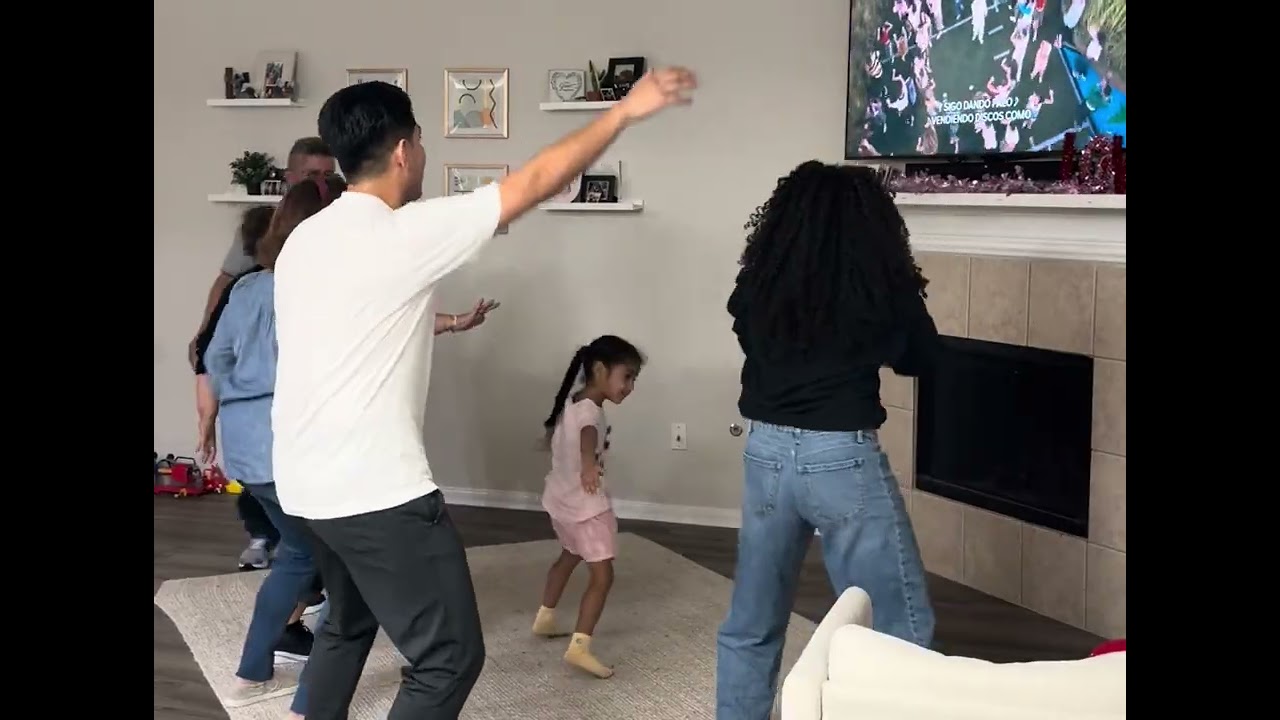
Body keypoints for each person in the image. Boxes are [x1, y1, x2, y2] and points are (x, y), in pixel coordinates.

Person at [271, 67, 696, 720]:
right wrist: (624, 113)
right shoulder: (399, 232)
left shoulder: (307, 238)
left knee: (346, 625)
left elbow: (361, 323)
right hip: (375, 493)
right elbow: (530, 184)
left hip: (303, 484)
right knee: (449, 657)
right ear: (406, 150)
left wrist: (447, 322)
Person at [715, 162, 939, 720]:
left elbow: (745, 328)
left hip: (766, 454)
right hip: (841, 457)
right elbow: (921, 358)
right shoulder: (873, 282)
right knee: (897, 628)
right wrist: (901, 278)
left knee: (751, 625)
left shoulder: (761, 281)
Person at [191, 136, 337, 570]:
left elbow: (218, 358)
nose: (322, 182)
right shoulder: (262, 266)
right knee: (312, 550)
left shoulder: (255, 287)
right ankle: (298, 590)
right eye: (313, 175)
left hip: (251, 439)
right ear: (290, 177)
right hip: (280, 435)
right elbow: (222, 295)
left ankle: (293, 613)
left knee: (301, 549)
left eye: (328, 174)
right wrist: (206, 331)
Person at [531, 335, 645, 679]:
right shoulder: (590, 411)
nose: (630, 387)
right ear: (599, 370)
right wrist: (588, 464)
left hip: (560, 501)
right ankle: (579, 648)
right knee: (603, 574)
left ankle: (545, 617)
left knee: (569, 554)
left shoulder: (574, 399)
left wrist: (584, 463)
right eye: (627, 376)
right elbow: (586, 438)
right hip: (586, 508)